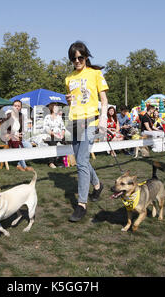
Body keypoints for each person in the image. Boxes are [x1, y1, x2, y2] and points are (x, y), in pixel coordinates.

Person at [65, 41, 108, 222]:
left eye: (80, 57)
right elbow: (74, 102)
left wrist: (104, 120)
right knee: (81, 160)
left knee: (82, 161)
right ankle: (97, 185)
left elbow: (104, 99)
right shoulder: (68, 79)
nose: (77, 61)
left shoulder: (96, 74)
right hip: (74, 121)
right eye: (73, 59)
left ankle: (81, 204)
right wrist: (68, 101)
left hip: (91, 120)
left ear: (86, 57)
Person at [1, 100, 34, 172]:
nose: (17, 107)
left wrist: (21, 133)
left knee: (29, 146)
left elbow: (22, 129)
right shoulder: (8, 115)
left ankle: (19, 165)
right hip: (8, 137)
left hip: (18, 138)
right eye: (15, 105)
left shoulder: (21, 116)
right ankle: (24, 166)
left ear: (21, 107)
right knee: (18, 146)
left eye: (18, 106)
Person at [43, 102, 66, 168]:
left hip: (59, 135)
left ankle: (60, 161)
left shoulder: (59, 117)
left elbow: (63, 128)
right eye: (55, 107)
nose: (57, 108)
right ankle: (51, 162)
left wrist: (62, 134)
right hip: (51, 135)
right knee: (53, 143)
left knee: (65, 142)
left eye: (57, 107)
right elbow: (46, 128)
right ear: (52, 108)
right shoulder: (47, 117)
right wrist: (54, 135)